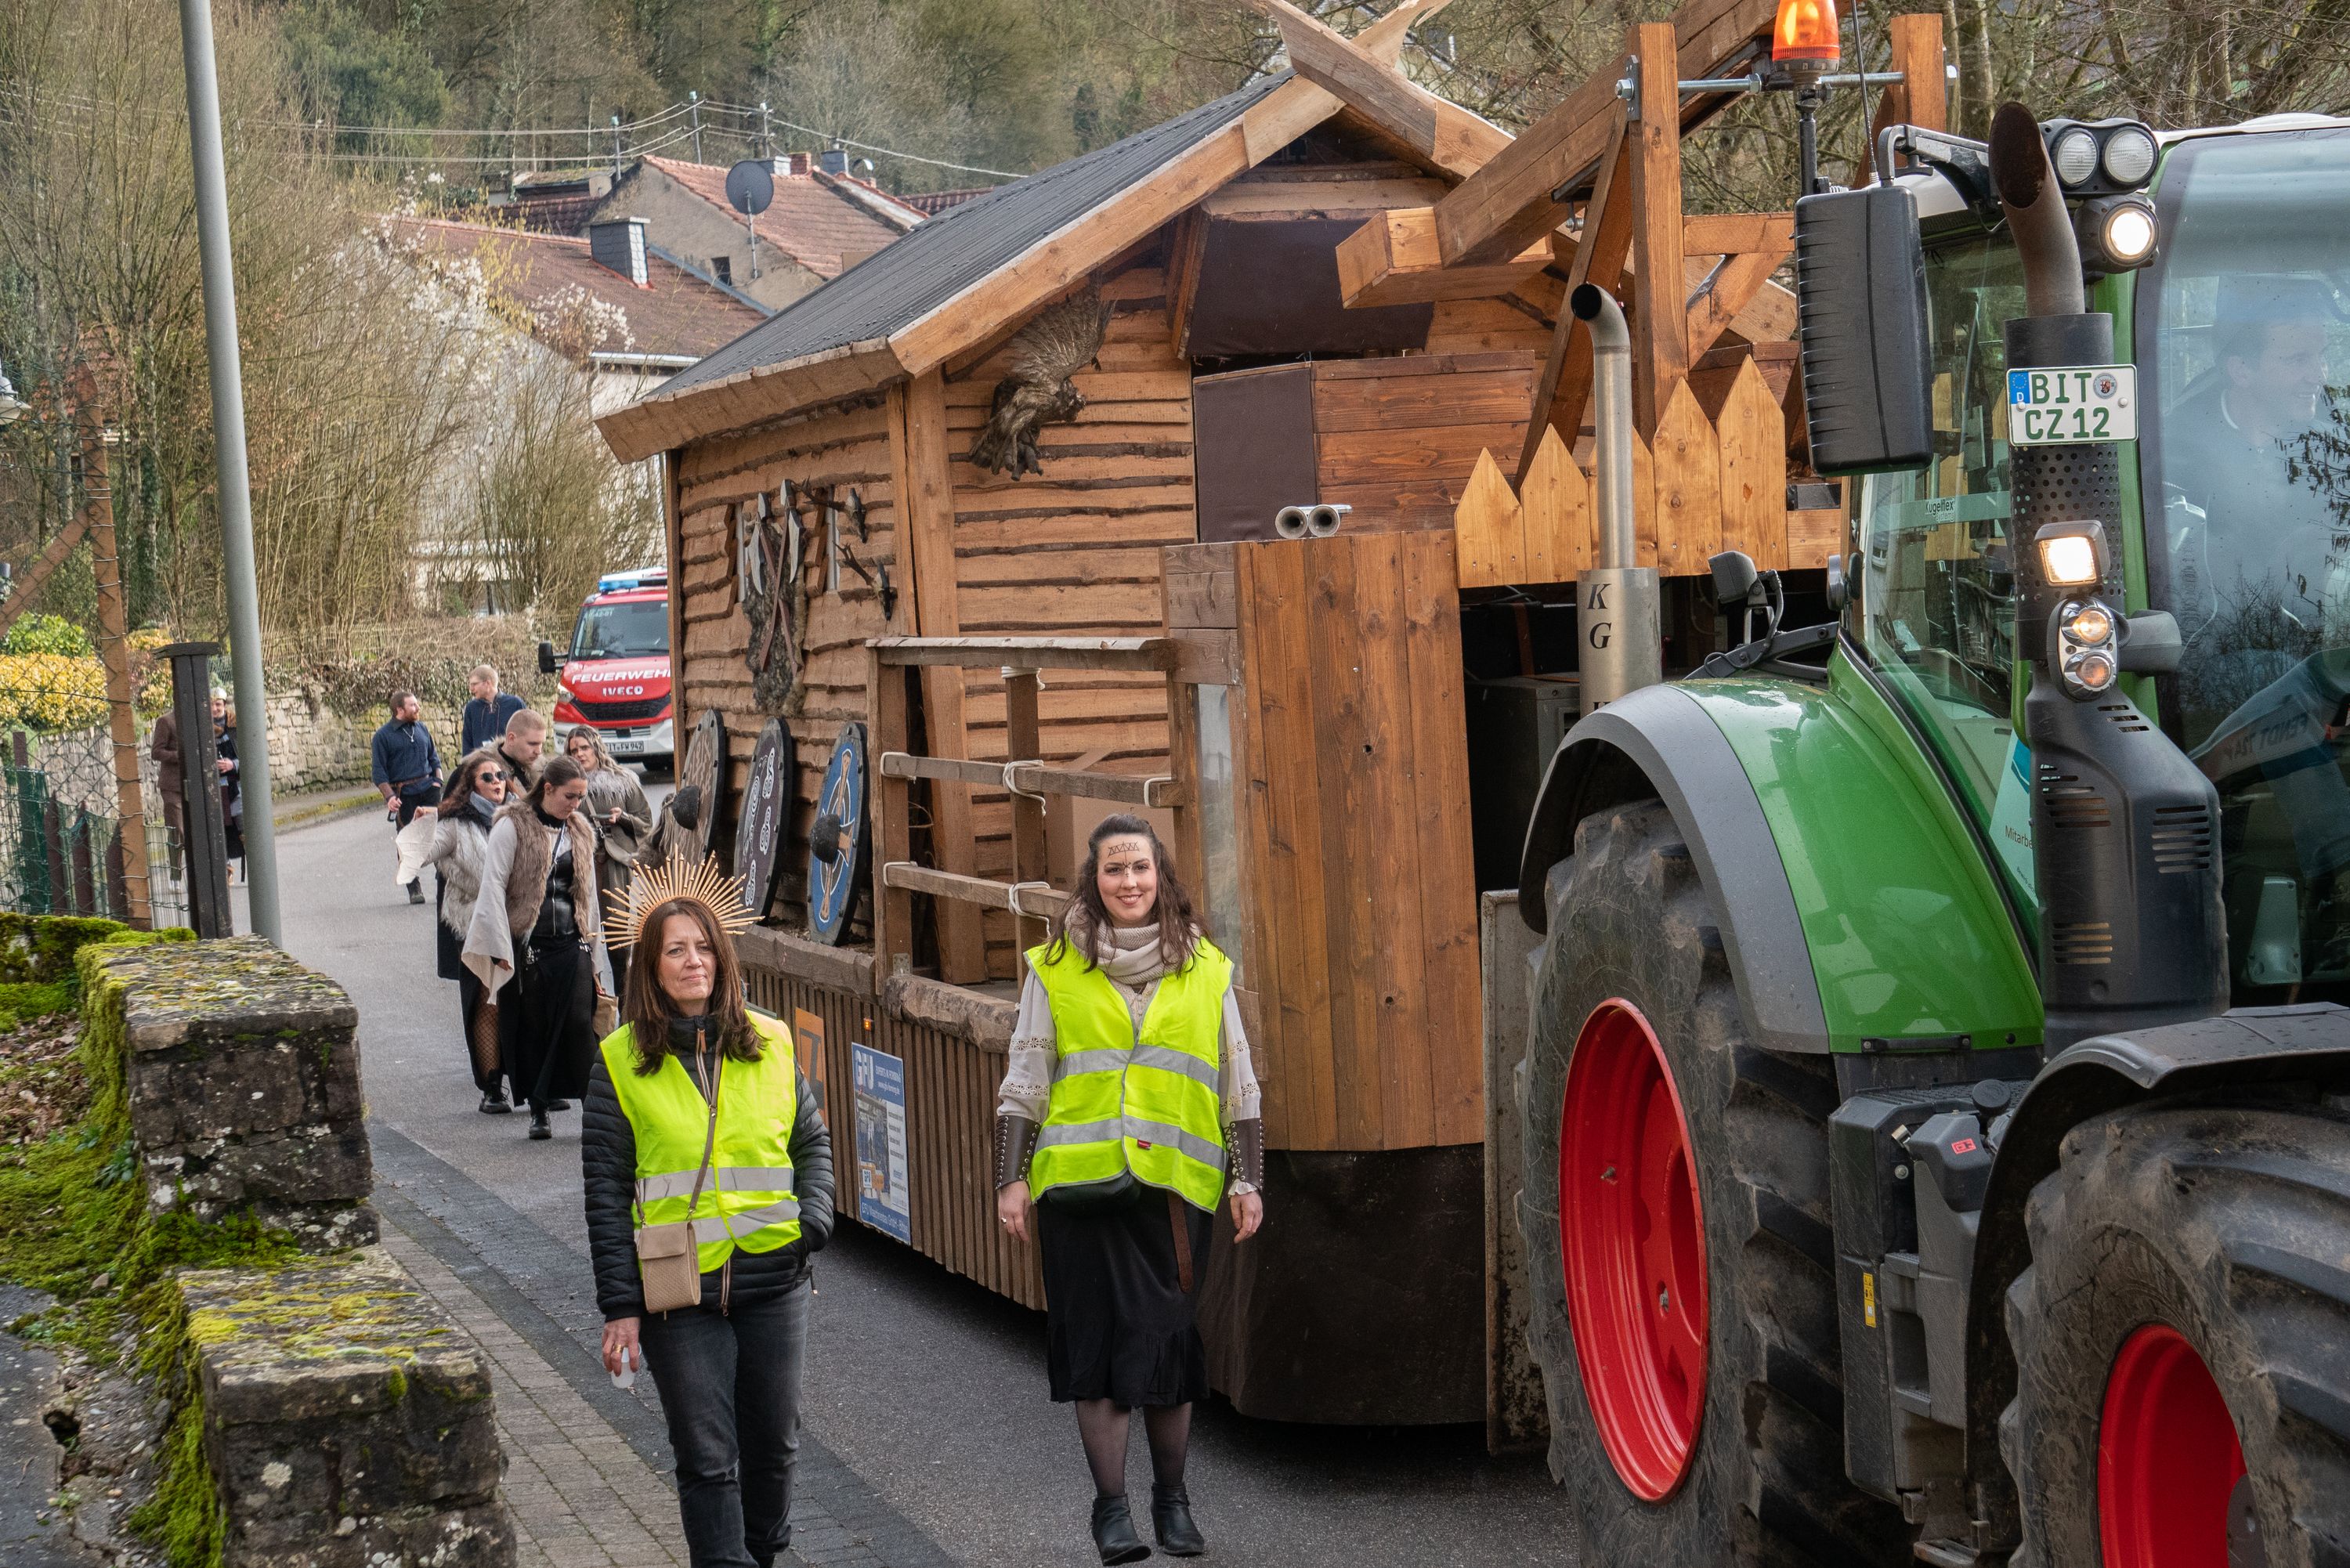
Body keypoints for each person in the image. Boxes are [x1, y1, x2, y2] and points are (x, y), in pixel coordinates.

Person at [992, 815, 1265, 1564]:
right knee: (1096, 1349)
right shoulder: (1054, 967)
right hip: (1079, 1194)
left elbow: (1236, 1081)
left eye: (1140, 868)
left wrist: (1250, 1180)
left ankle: (1172, 1503)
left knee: (1168, 1348)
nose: (1129, 883)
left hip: (1171, 1193)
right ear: (1095, 879)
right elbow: (1025, 1077)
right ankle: (1111, 1511)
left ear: (1162, 875)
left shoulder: (1207, 968)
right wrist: (1010, 1179)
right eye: (1114, 870)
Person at [586, 887, 833, 1568]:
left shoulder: (774, 1041)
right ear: (651, 967)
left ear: (723, 958)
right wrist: (620, 1309)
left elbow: (811, 1143)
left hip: (774, 1277)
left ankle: (766, 1554)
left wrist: (813, 1220)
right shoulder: (619, 1060)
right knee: (705, 1453)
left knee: (775, 1445)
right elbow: (605, 1195)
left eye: (703, 947)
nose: (693, 961)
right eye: (675, 950)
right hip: (677, 1289)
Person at [463, 756, 612, 1140]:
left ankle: (590, 1108)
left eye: (581, 797)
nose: (576, 805)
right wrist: (498, 946)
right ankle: (539, 1110)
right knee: (535, 1027)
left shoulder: (580, 830)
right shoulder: (512, 826)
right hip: (528, 945)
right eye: (570, 797)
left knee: (581, 1025)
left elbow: (588, 898)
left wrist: (594, 960)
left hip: (573, 944)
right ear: (547, 789)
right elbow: (493, 886)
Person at [428, 748, 515, 1114]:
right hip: (475, 925)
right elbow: (421, 852)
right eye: (488, 777)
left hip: (517, 924)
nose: (498, 783)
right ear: (470, 785)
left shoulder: (517, 817)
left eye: (501, 776)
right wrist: (423, 824)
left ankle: (534, 1084)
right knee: (487, 1003)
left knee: (522, 1003)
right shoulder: (455, 825)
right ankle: (492, 1086)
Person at [566, 725, 654, 995]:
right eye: (574, 750)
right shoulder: (565, 786)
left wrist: (623, 818)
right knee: (584, 940)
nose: (580, 754)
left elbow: (646, 823)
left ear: (596, 747)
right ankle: (596, 1006)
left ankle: (626, 1010)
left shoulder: (622, 781)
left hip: (615, 868)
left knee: (619, 944)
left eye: (584, 748)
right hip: (580, 868)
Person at [372, 691, 444, 905]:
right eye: (413, 705)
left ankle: (446, 883)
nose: (418, 708)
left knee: (438, 836)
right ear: (399, 710)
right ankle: (414, 888)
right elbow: (378, 772)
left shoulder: (422, 728)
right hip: (404, 795)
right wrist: (389, 797)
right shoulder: (383, 736)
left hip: (429, 790)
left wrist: (437, 781)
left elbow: (434, 758)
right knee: (408, 841)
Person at [462, 664, 528, 756]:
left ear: (488, 683)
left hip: (510, 764)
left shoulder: (515, 704)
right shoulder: (471, 708)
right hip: (481, 764)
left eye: (474, 684)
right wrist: (466, 766)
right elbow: (467, 741)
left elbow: (527, 735)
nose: (471, 689)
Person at [150, 704, 184, 881]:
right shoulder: (166, 721)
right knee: (177, 831)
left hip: (193, 785)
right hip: (172, 786)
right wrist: (177, 756)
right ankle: (176, 875)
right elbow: (156, 752)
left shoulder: (197, 719)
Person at [215, 691, 244, 884]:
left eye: (218, 704)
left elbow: (249, 757)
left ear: (224, 705)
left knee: (243, 829)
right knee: (219, 831)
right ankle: (226, 870)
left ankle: (259, 867)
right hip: (215, 789)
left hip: (236, 789)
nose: (215, 708)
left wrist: (232, 764)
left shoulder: (235, 727)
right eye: (211, 705)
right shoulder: (201, 730)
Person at [499, 708, 550, 794]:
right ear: (511, 739)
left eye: (541, 744)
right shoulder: (484, 771)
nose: (539, 751)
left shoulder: (546, 769)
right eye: (533, 744)